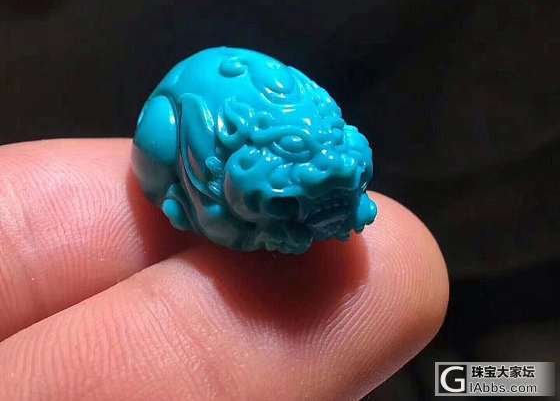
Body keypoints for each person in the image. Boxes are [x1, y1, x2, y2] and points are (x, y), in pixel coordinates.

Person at [0, 139, 448, 400]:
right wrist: (255, 233)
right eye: (286, 209)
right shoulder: (238, 186)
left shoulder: (327, 164)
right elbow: (219, 219)